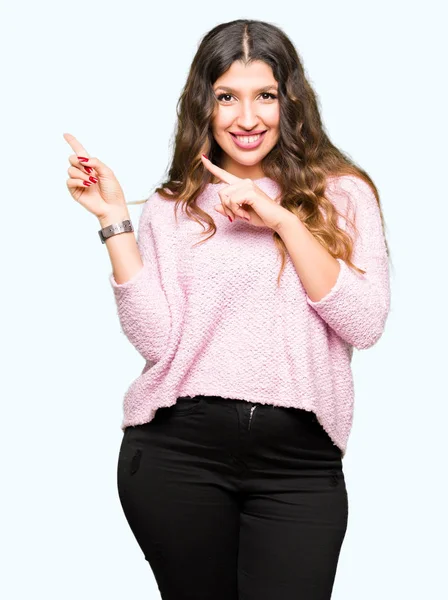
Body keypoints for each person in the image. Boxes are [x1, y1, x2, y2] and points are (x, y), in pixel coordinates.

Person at [63, 18, 391, 600]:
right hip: (177, 454)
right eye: (226, 98)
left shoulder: (341, 195)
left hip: (299, 465)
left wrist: (283, 220)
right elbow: (158, 342)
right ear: (204, 106)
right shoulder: (173, 206)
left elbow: (364, 322)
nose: (246, 118)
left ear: (289, 102)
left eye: (264, 95)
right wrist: (115, 220)